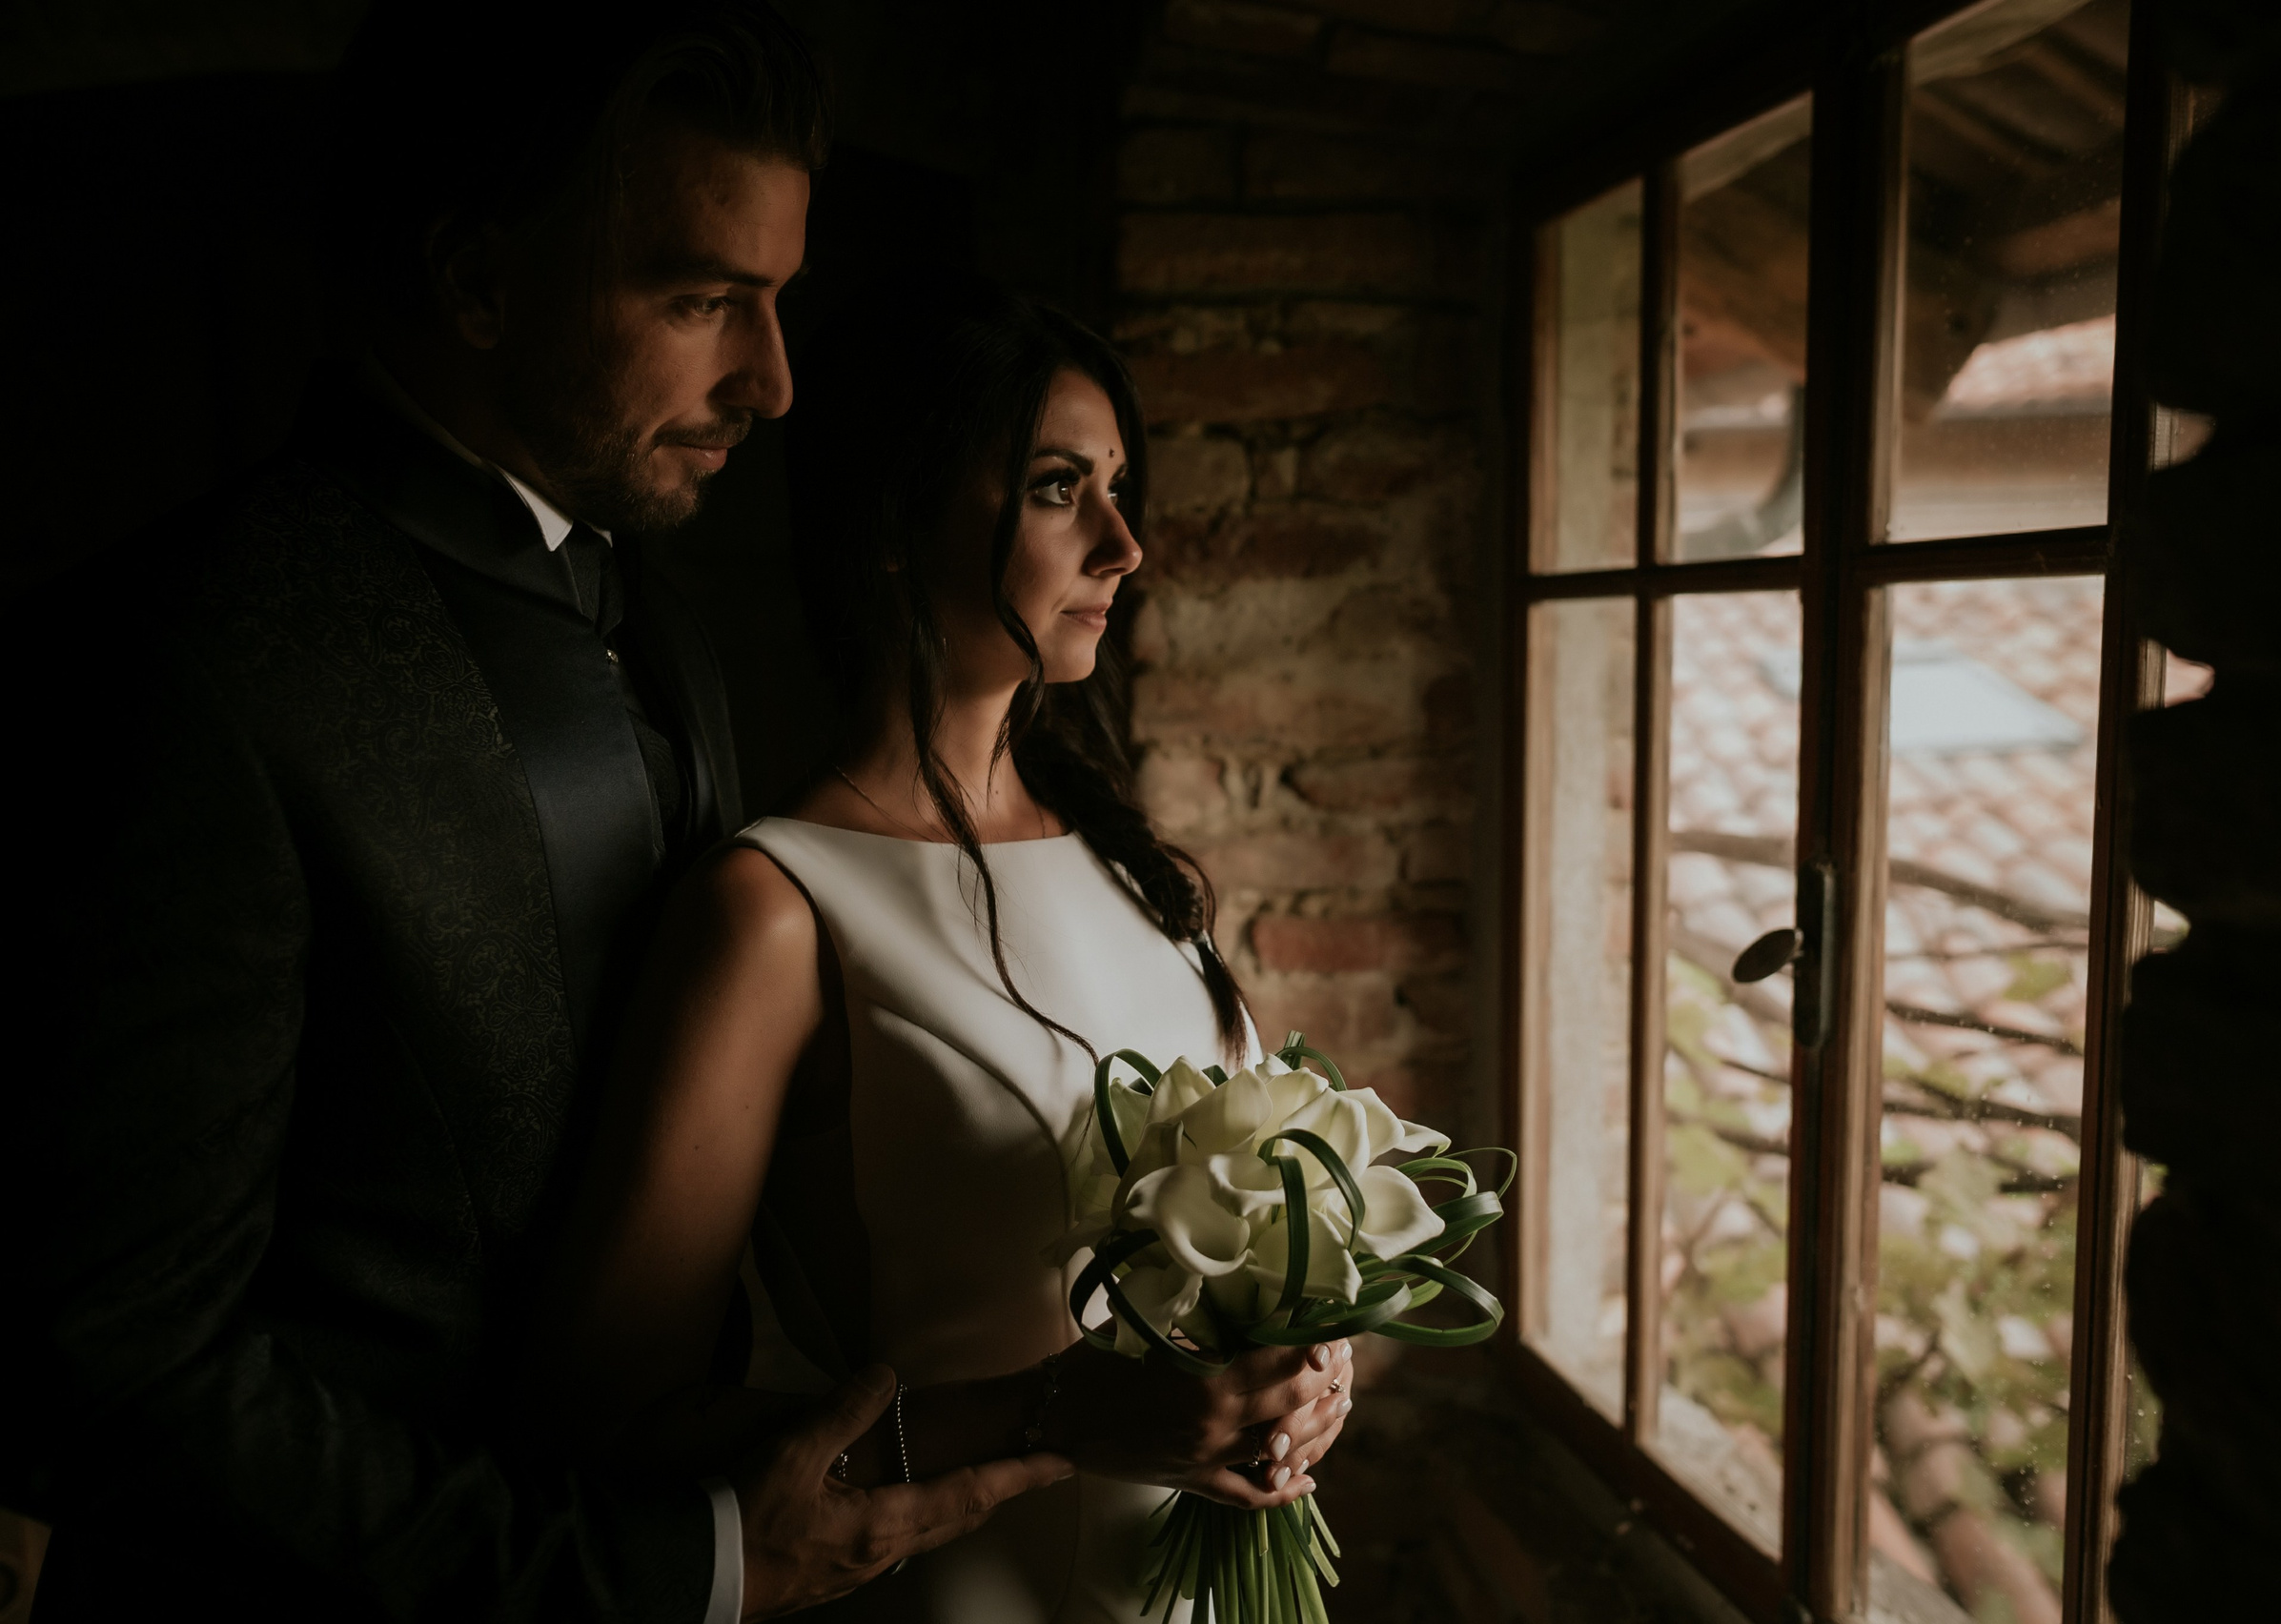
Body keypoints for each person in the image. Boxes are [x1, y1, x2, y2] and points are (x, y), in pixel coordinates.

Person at [17, 6, 1063, 1619]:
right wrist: (677, 1570)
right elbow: (107, 1366)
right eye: (705, 300)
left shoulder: (659, 617)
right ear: (479, 282)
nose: (775, 383)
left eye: (777, 302)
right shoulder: (178, 663)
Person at [530, 275, 1357, 1622]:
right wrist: (1057, 1416)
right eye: (1055, 488)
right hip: (969, 1587)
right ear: (902, 524)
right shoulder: (777, 904)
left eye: (1118, 485)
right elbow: (610, 1415)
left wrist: (1297, 1369)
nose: (1123, 543)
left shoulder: (1117, 861)